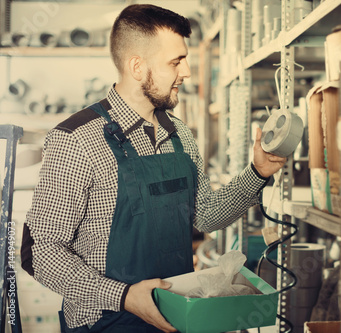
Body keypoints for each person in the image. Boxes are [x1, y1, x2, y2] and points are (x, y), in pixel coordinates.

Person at [21, 4, 286, 333]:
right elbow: (41, 251)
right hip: (107, 323)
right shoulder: (76, 140)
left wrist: (258, 173)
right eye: (175, 62)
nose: (186, 72)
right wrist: (124, 296)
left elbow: (205, 216)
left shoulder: (180, 135)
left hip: (176, 318)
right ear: (137, 66)